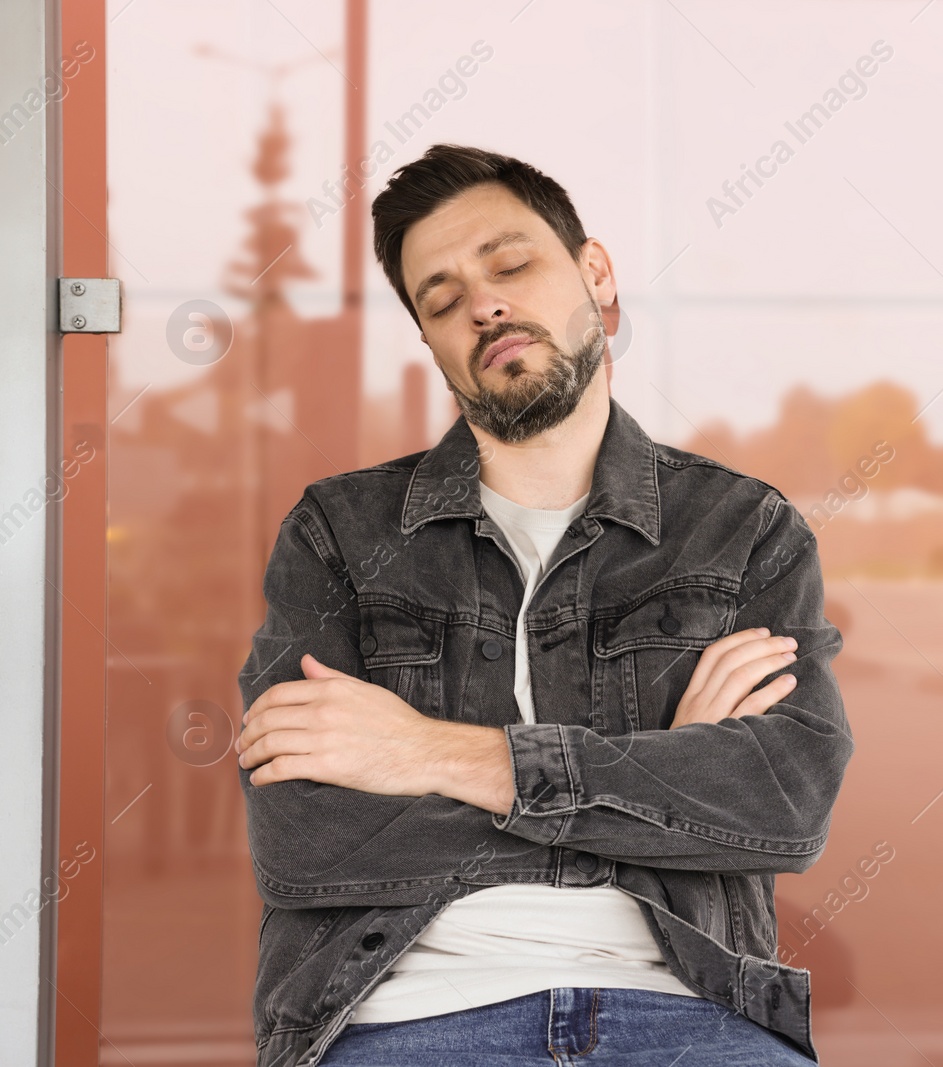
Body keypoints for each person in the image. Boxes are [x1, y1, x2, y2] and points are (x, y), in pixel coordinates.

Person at [234, 143, 852, 1067]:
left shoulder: (740, 528)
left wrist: (423, 751)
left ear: (595, 276)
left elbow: (783, 798)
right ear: (431, 341)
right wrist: (663, 775)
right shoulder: (340, 531)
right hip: (409, 1017)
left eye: (511, 264)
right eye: (441, 299)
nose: (482, 303)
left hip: (689, 1013)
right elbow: (304, 841)